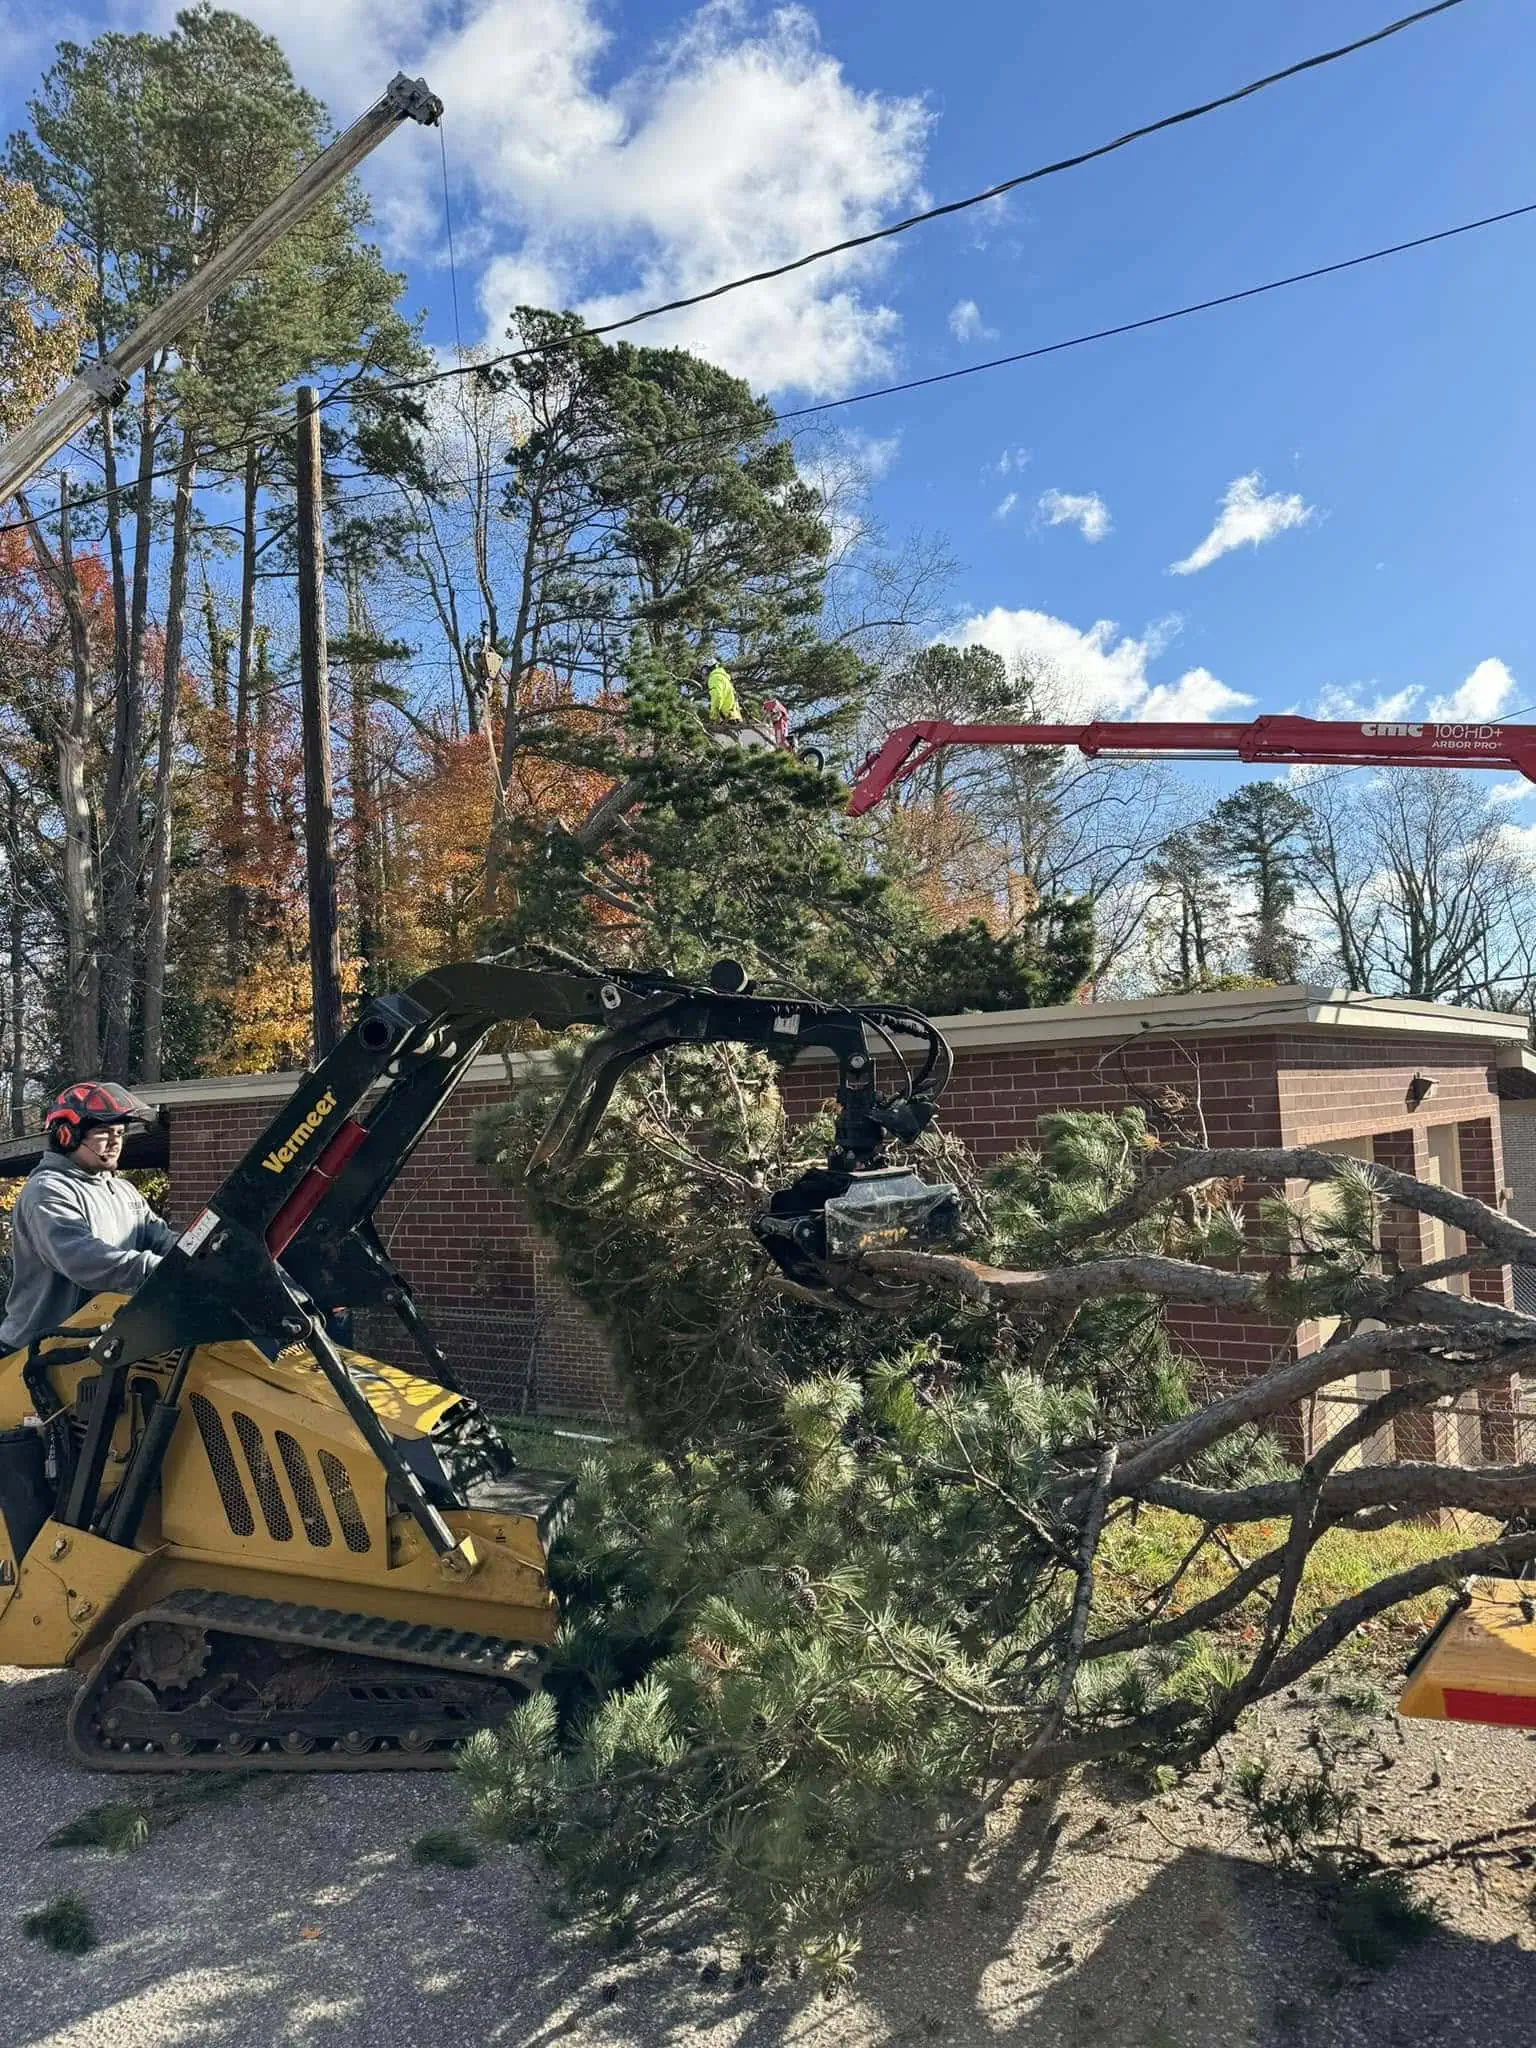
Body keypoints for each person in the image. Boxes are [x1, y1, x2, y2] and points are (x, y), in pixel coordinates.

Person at [0, 1083, 178, 1354]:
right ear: (66, 1136)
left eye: (120, 1132)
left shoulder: (123, 1190)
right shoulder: (47, 1190)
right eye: (104, 1132)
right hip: (35, 1353)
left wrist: (202, 1255)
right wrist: (156, 1268)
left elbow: (162, 1239)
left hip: (95, 1345)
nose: (116, 1141)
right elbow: (83, 1259)